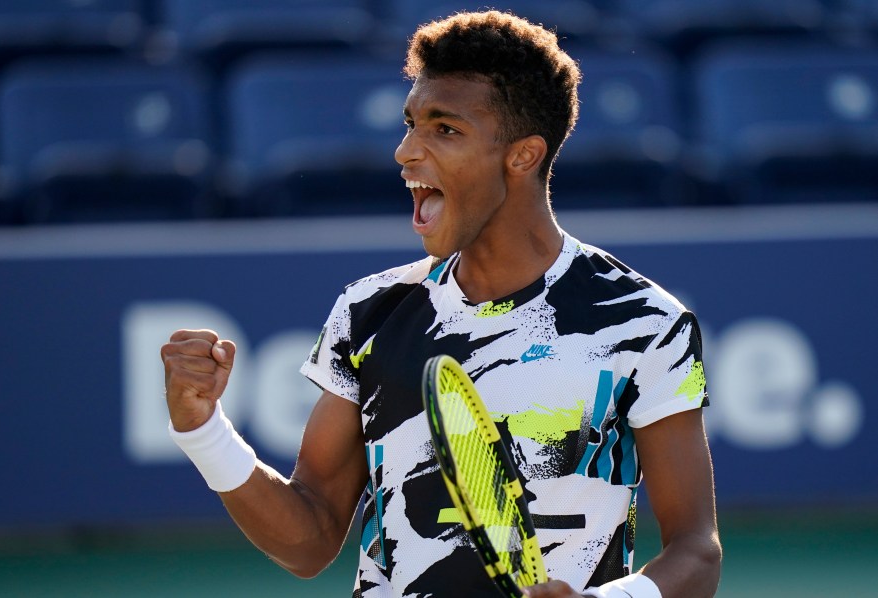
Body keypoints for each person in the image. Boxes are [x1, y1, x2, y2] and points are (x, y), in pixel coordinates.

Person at [161, 10, 721, 598]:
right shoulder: (368, 311)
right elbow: (310, 540)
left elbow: (696, 550)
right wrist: (203, 431)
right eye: (410, 125)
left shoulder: (646, 322)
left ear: (523, 155)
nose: (405, 152)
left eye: (444, 129)